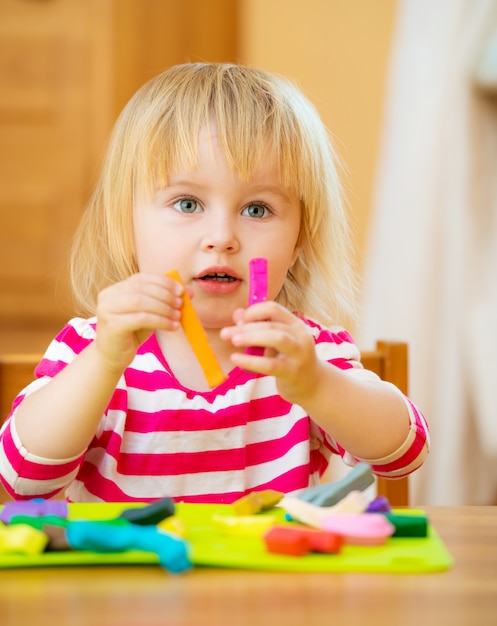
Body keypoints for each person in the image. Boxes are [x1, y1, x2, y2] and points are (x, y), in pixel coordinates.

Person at [0, 63, 429, 503]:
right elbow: (21, 478)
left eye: (257, 210)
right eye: (187, 203)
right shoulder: (92, 349)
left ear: (299, 239)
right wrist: (103, 362)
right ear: (125, 225)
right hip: (130, 573)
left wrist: (318, 385)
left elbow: (405, 453)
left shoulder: (306, 353)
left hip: (271, 573)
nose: (222, 238)